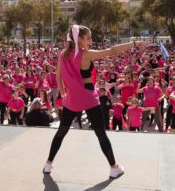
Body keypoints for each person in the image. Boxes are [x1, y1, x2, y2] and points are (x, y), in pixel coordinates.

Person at [44, 24, 146, 178]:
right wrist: (133, 44)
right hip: (89, 99)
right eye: (88, 38)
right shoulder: (85, 54)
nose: (91, 41)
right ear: (79, 39)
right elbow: (111, 51)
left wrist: (64, 94)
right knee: (101, 133)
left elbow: (58, 78)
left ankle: (48, 164)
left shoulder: (62, 55)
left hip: (72, 100)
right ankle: (114, 167)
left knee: (61, 131)